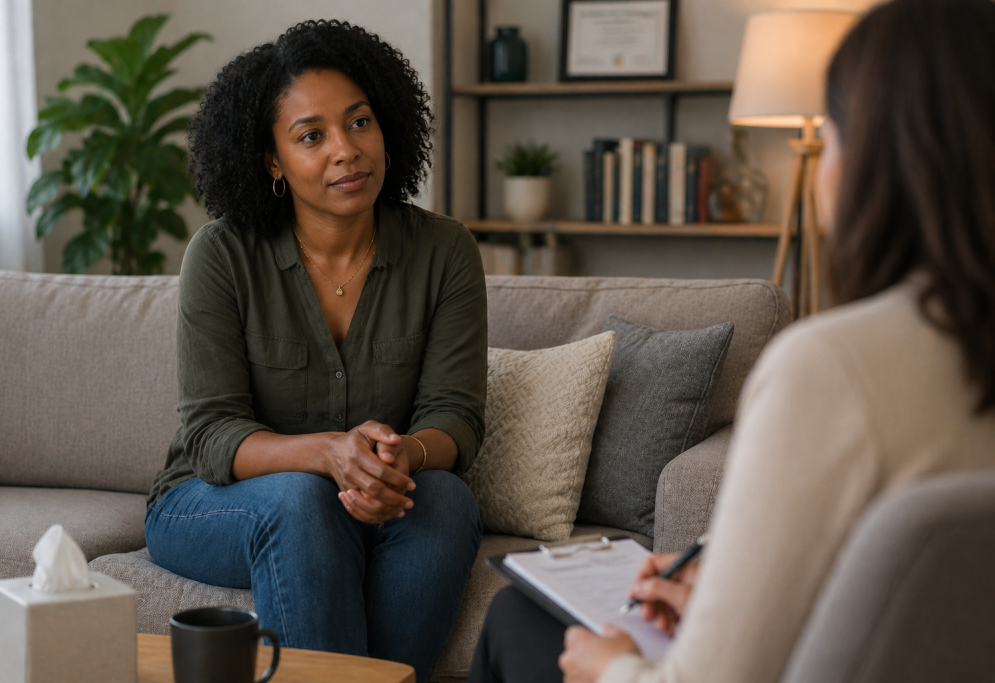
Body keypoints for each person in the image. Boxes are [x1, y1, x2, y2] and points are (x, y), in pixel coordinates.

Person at [467, 1, 995, 681]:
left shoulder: (832, 368)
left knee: (518, 617)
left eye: (832, 134)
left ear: (872, 162)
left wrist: (612, 667)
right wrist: (728, 593)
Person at [143, 20, 486, 683]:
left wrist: (400, 459)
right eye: (311, 136)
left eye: (359, 123)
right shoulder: (221, 255)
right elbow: (212, 435)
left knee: (444, 498)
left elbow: (456, 416)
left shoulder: (445, 251)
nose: (346, 151)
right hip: (213, 500)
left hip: (370, 497)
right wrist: (330, 453)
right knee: (302, 500)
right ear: (272, 160)